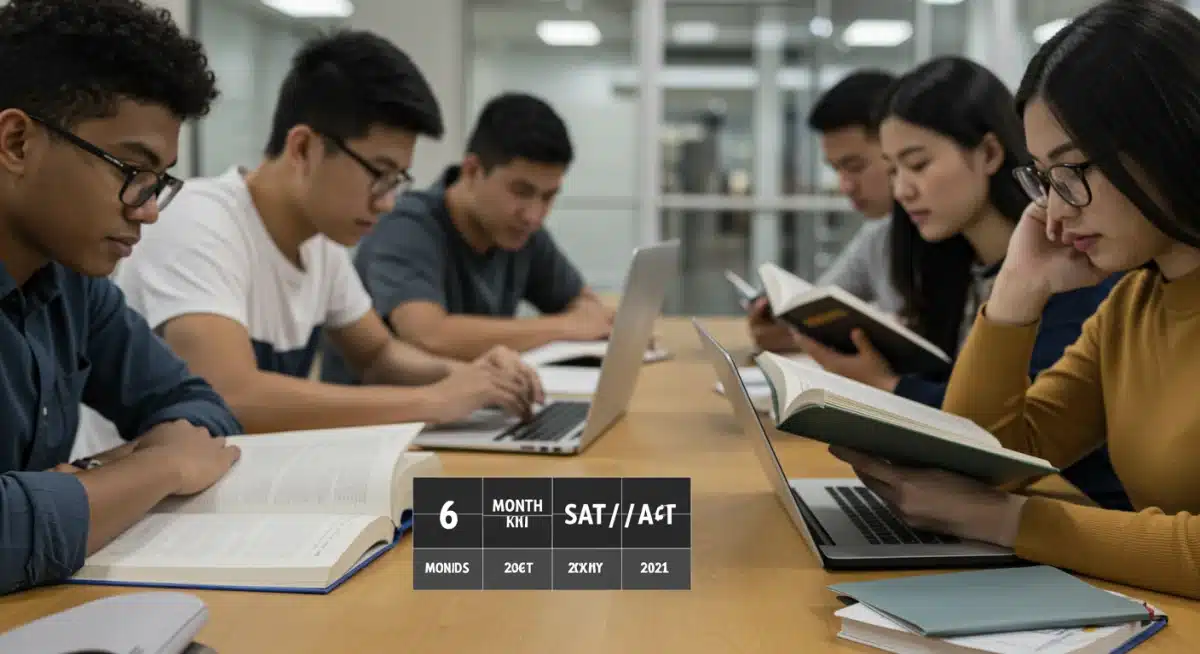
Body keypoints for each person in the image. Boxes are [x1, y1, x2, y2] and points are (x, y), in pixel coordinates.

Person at [830, 0, 1200, 599]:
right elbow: (988, 454)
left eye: (1071, 170)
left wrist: (1005, 521)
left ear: (1167, 140)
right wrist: (1016, 292)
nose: (1053, 211)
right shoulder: (1136, 301)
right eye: (1044, 181)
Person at [113, 31, 542, 436]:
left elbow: (378, 355)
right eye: (380, 174)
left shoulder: (320, 242)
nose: (387, 202)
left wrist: (470, 375)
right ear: (303, 149)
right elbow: (230, 393)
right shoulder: (197, 221)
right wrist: (432, 401)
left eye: (397, 180)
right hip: (153, 507)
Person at [788, 56, 1128, 511]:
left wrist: (889, 386)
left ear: (989, 153)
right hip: (997, 504)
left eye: (917, 164)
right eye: (892, 171)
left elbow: (1011, 437)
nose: (903, 190)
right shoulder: (955, 265)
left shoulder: (1074, 267)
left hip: (1069, 513)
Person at [0, 0, 243, 595]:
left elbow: (198, 407)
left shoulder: (75, 283)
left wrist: (96, 481)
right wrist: (157, 468)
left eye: (159, 181)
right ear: (16, 142)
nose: (149, 209)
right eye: (130, 170)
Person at [320, 92, 613, 383]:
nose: (534, 215)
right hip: (388, 420)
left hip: (472, 409)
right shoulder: (405, 225)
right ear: (472, 170)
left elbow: (586, 307)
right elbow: (428, 335)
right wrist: (565, 327)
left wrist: (583, 320)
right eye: (521, 192)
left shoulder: (521, 231)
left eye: (548, 197)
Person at [748, 70, 901, 353]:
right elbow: (816, 309)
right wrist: (785, 325)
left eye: (855, 167)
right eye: (836, 169)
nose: (845, 185)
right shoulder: (879, 236)